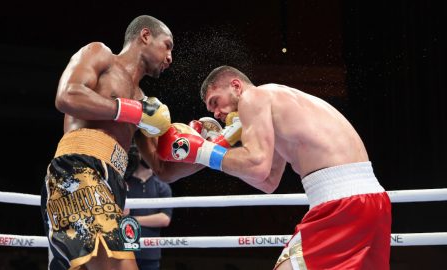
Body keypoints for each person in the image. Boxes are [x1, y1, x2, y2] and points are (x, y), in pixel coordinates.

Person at [157, 66, 392, 270]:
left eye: (215, 102)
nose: (216, 113)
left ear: (236, 86)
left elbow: (256, 165)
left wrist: (200, 151)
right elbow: (268, 181)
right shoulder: (277, 103)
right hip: (372, 198)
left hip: (342, 202)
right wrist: (214, 156)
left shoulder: (253, 97)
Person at [40, 15, 174, 270]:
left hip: (113, 188)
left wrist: (207, 152)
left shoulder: (145, 102)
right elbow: (67, 96)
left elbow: (162, 168)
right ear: (145, 35)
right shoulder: (100, 54)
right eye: (167, 45)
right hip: (78, 170)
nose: (170, 57)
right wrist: (134, 111)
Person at [123, 146, 173, 270]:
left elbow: (164, 219)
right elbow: (123, 216)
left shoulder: (162, 186)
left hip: (150, 252)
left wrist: (133, 219)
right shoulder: (124, 183)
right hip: (127, 250)